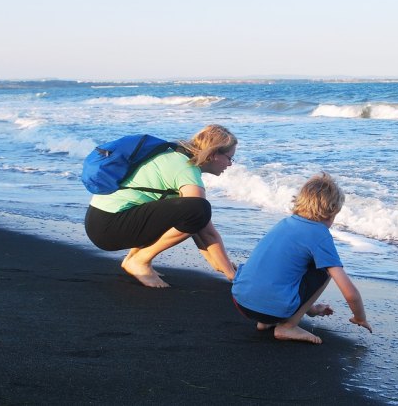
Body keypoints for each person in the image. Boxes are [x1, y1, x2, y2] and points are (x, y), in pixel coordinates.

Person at [84, 124, 238, 288]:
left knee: (189, 210)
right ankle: (140, 261)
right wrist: (231, 274)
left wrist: (219, 264)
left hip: (99, 220)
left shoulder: (173, 155)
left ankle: (135, 259)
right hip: (109, 227)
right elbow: (203, 225)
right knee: (199, 208)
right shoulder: (186, 169)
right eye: (230, 158)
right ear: (213, 154)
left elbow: (197, 227)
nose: (230, 164)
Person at [231, 172, 372, 344]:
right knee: (325, 271)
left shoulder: (284, 223)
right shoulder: (320, 234)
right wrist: (360, 317)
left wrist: (312, 310)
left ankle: (266, 322)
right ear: (332, 212)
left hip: (241, 301)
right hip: (270, 308)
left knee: (287, 267)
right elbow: (350, 292)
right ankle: (288, 326)